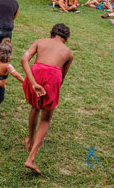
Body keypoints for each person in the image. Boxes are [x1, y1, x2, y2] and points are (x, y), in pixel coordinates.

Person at [21, 23, 73, 174]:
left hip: (35, 73)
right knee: (46, 119)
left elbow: (24, 59)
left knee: (35, 107)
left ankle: (30, 140)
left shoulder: (40, 41)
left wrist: (33, 83)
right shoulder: (69, 53)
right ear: (66, 39)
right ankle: (31, 158)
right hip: (53, 78)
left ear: (51, 34)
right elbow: (61, 78)